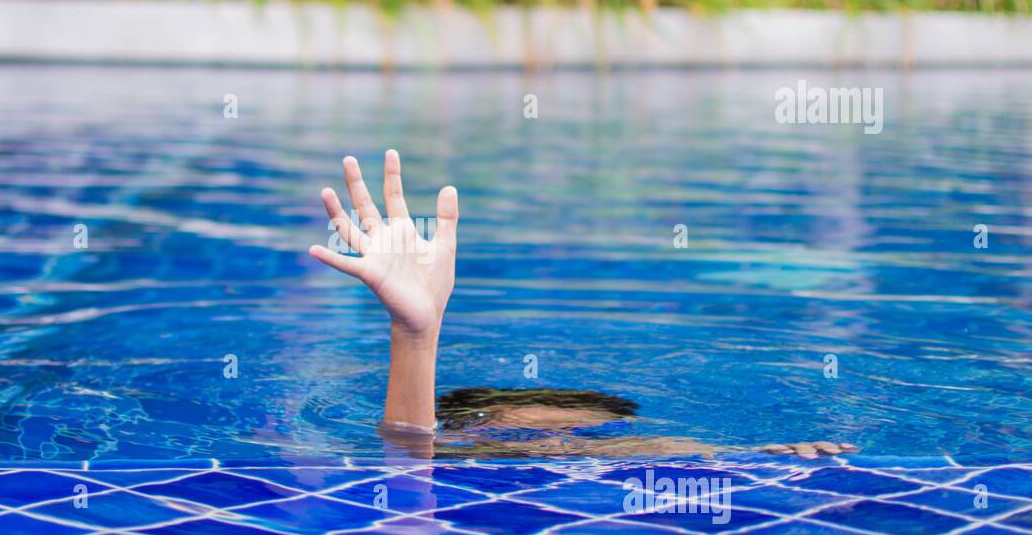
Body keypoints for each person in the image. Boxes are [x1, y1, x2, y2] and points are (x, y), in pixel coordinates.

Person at [309, 151, 854, 460]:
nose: (550, 447)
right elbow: (410, 452)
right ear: (471, 430)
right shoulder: (456, 459)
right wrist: (415, 335)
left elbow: (661, 452)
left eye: (574, 439)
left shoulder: (609, 467)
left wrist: (760, 457)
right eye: (518, 437)